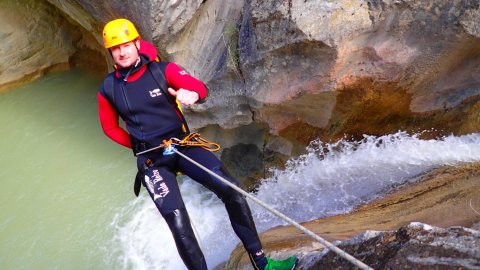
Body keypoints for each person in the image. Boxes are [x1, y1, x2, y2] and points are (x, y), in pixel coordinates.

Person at [98, 18, 297, 270]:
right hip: (152, 160)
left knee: (232, 191)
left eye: (126, 45)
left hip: (184, 145)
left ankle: (262, 263)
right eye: (115, 48)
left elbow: (199, 89)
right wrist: (139, 146)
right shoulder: (109, 88)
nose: (122, 52)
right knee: (177, 220)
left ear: (138, 43)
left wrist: (190, 94)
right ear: (110, 52)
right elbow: (109, 127)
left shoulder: (163, 71)